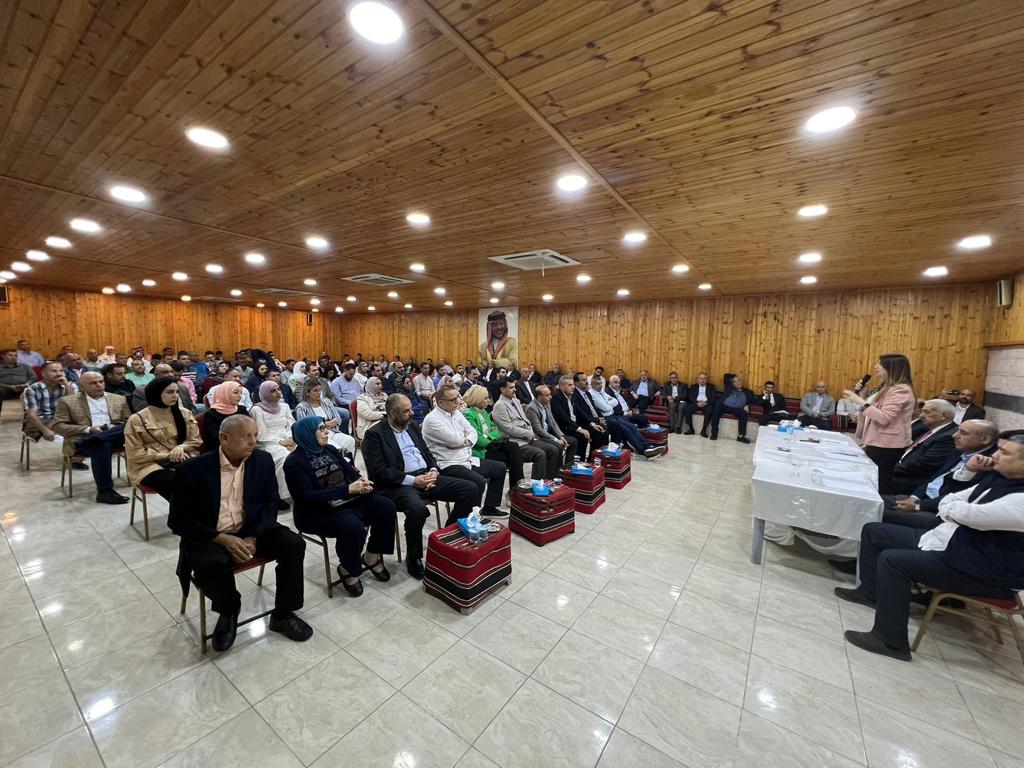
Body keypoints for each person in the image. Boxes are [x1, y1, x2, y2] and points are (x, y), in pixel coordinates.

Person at [835, 431, 1024, 661]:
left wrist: (951, 509)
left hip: (985, 571)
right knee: (874, 531)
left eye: (1004, 452)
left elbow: (970, 515)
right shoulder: (1001, 478)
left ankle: (890, 641)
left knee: (893, 561)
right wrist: (959, 492)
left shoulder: (1020, 501)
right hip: (957, 543)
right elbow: (953, 496)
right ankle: (870, 592)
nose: (995, 455)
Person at [168, 415, 312, 652]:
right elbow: (178, 521)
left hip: (251, 527)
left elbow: (271, 503)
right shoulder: (192, 470)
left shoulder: (262, 460)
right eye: (246, 437)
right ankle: (228, 611)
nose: (253, 441)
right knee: (210, 564)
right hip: (211, 534)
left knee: (293, 544)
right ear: (224, 438)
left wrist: (252, 535)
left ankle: (283, 613)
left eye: (255, 435)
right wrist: (221, 538)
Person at [362, 394, 479, 579]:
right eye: (406, 411)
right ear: (392, 413)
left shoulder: (413, 426)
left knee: (470, 489)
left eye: (411, 409)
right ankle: (414, 557)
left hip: (426, 475)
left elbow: (426, 452)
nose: (412, 413)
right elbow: (380, 472)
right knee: (417, 510)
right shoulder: (374, 434)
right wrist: (412, 480)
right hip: (400, 484)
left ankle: (446, 539)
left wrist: (433, 470)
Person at [284, 416, 395, 597]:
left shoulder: (329, 449)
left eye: (325, 428)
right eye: (321, 429)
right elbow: (306, 497)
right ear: (307, 434)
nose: (326, 432)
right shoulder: (294, 462)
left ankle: (371, 556)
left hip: (346, 500)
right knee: (352, 525)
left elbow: (350, 472)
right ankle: (348, 569)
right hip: (317, 511)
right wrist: (347, 490)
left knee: (385, 506)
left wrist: (361, 482)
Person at [883, 419, 999, 527]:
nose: (955, 435)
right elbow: (935, 477)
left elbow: (960, 496)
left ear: (985, 439)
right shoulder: (960, 450)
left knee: (881, 513)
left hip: (939, 512)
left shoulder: (987, 464)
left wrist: (918, 506)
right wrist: (914, 497)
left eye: (963, 433)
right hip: (922, 498)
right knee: (877, 502)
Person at [422, 384, 505, 517]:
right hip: (448, 463)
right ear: (440, 402)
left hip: (466, 458)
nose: (458, 402)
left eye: (458, 397)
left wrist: (465, 441)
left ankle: (489, 508)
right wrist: (464, 439)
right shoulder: (432, 419)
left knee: (499, 468)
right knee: (478, 482)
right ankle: (463, 520)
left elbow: (473, 433)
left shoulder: (456, 413)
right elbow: (454, 440)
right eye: (453, 400)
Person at [51, 371, 131, 504]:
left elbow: (129, 421)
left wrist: (113, 426)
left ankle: (98, 438)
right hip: (85, 436)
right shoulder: (67, 401)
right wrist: (89, 429)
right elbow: (58, 426)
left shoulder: (118, 399)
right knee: (102, 445)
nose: (99, 385)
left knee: (131, 425)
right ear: (82, 386)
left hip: (114, 435)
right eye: (93, 383)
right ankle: (105, 491)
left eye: (101, 381)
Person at [843, 354, 916, 495]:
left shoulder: (900, 390)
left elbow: (884, 418)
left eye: (880, 364)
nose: (876, 366)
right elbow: (873, 409)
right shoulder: (885, 387)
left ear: (892, 368)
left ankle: (884, 506)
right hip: (877, 441)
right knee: (872, 479)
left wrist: (858, 400)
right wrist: (863, 395)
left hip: (887, 445)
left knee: (880, 482)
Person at [123, 377, 201, 500]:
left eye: (177, 392)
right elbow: (134, 453)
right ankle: (185, 512)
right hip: (146, 465)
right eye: (169, 392)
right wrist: (167, 455)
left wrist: (182, 447)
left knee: (204, 475)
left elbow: (195, 439)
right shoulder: (137, 419)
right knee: (176, 482)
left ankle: (196, 510)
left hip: (179, 459)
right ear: (156, 393)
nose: (175, 396)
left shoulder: (184, 413)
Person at [491, 377, 561, 480]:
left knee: (554, 450)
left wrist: (530, 431)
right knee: (540, 454)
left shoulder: (515, 401)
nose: (515, 390)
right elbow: (509, 429)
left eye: (514, 387)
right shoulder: (499, 405)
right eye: (511, 388)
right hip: (514, 442)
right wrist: (529, 433)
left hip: (527, 438)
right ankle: (537, 485)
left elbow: (525, 421)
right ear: (502, 389)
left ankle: (549, 480)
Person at [887, 399, 958, 495]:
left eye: (926, 412)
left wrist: (890, 469)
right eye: (922, 411)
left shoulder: (948, 436)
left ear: (943, 416)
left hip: (911, 481)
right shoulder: (933, 430)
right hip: (902, 472)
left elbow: (924, 464)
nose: (921, 415)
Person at [463, 384, 526, 487]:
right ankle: (518, 485)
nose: (488, 401)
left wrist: (487, 436)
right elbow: (477, 438)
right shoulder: (469, 414)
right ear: (477, 399)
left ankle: (518, 484)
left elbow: (496, 431)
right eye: (485, 398)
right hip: (480, 450)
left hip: (491, 444)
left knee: (513, 448)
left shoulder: (484, 412)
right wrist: (489, 438)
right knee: (511, 457)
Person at [590, 378, 663, 458]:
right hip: (605, 418)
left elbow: (615, 402)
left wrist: (608, 403)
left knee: (631, 426)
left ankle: (648, 446)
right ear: (592, 385)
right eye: (597, 384)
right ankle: (642, 450)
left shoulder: (601, 391)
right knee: (626, 429)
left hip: (613, 415)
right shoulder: (592, 394)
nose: (600, 385)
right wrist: (609, 403)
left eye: (601, 383)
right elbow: (606, 408)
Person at [251, 381, 296, 505]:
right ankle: (281, 495)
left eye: (278, 389)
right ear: (265, 393)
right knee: (285, 458)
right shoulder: (257, 410)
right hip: (268, 443)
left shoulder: (285, 406)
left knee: (306, 451)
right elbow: (259, 434)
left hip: (288, 439)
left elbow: (291, 425)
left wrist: (291, 440)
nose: (278, 393)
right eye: (273, 391)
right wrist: (280, 442)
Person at [294, 380, 356, 454]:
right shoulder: (301, 407)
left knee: (350, 440)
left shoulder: (326, 401)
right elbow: (305, 427)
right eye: (315, 390)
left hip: (332, 431)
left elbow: (338, 418)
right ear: (307, 392)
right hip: (317, 437)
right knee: (335, 448)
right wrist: (325, 424)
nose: (319, 392)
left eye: (320, 390)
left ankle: (348, 460)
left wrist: (333, 423)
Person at [22, 361, 78, 442]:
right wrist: (45, 430)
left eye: (61, 371)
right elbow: (32, 415)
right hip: (42, 419)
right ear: (43, 374)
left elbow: (74, 407)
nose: (59, 374)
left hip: (62, 419)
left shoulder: (71, 386)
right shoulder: (33, 389)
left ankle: (38, 433)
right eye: (54, 371)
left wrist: (67, 386)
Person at [526, 384, 575, 470]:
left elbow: (553, 422)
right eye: (547, 395)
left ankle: (566, 468)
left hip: (548, 433)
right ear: (539, 396)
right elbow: (538, 429)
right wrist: (555, 439)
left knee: (573, 441)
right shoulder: (531, 408)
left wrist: (561, 436)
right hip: (539, 436)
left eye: (550, 394)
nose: (551, 397)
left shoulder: (547, 404)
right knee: (558, 446)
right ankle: (555, 470)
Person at [202, 381, 249, 453]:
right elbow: (214, 438)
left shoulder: (242, 410)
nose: (240, 396)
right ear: (225, 394)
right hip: (220, 450)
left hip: (243, 447)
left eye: (241, 393)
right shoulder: (211, 414)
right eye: (236, 393)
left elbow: (250, 429)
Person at [708, 374, 753, 443]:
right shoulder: (729, 388)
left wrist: (747, 405)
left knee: (743, 413)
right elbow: (726, 376)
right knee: (716, 409)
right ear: (732, 383)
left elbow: (751, 401)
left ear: (742, 381)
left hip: (736, 409)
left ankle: (741, 436)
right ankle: (714, 433)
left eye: (739, 380)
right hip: (724, 406)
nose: (738, 383)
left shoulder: (748, 392)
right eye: (735, 382)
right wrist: (734, 376)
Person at [1, 348, 37, 415]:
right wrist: (8, 386)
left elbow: (33, 378)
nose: (13, 357)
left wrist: (26, 384)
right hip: (5, 388)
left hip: (24, 387)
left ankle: (31, 414)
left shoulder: (25, 366)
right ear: (3, 356)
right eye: (10, 355)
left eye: (15, 355)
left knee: (34, 390)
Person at [329, 363, 361, 430]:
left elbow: (360, 393)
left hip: (358, 403)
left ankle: (359, 432)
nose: (352, 376)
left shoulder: (355, 381)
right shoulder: (336, 382)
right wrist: (352, 403)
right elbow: (338, 399)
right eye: (350, 374)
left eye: (353, 374)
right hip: (344, 405)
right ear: (345, 370)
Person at [355, 376, 388, 441]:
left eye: (381, 383)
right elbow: (368, 414)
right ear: (370, 385)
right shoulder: (362, 398)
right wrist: (386, 414)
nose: (380, 385)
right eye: (377, 384)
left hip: (385, 421)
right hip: (368, 425)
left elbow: (391, 408)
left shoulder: (384, 395)